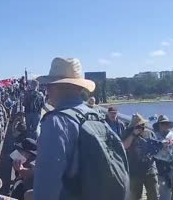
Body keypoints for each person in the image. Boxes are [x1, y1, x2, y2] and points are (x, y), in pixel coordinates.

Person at [33, 57, 129, 200]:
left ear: (56, 87)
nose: (46, 90)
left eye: (48, 85)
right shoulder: (96, 116)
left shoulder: (56, 122)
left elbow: (47, 182)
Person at [122, 114, 159, 200]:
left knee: (154, 196)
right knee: (135, 196)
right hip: (134, 171)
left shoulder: (150, 133)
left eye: (142, 124)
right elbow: (124, 146)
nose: (141, 126)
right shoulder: (127, 133)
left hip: (150, 170)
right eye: (138, 125)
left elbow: (156, 148)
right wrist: (133, 134)